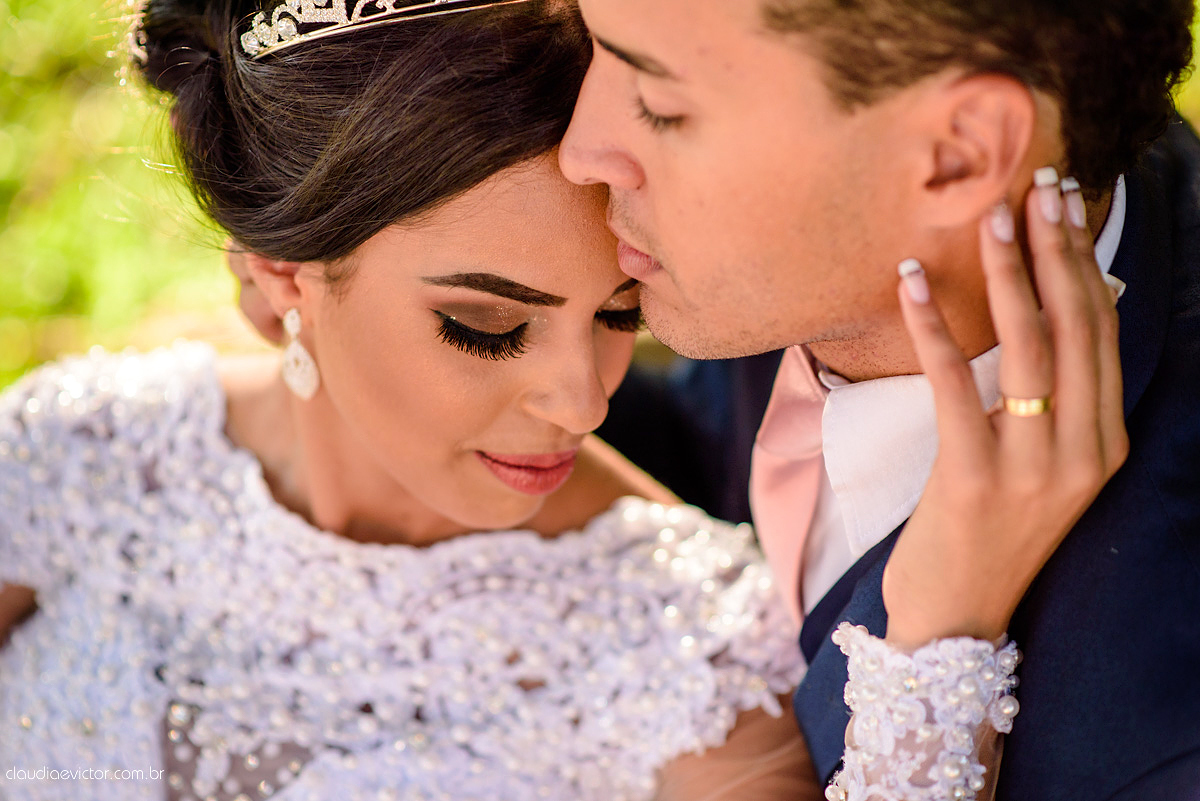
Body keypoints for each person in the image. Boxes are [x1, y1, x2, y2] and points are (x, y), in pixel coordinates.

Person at [0, 3, 1127, 801]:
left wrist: (937, 632)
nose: (581, 403)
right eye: (485, 327)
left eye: (620, 316)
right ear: (275, 279)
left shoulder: (676, 644)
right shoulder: (78, 457)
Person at [558, 0, 1200, 798]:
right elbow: (705, 451)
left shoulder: (1158, 740)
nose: (577, 153)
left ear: (960, 153)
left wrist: (936, 644)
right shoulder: (827, 265)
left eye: (660, 103)